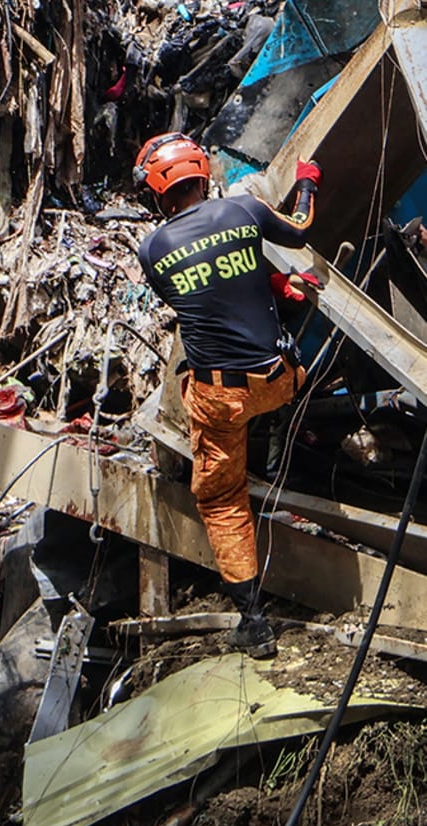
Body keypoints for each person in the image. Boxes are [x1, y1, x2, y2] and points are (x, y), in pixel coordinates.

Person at [135, 132, 321, 657]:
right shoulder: (243, 209)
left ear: (157, 191)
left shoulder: (152, 250)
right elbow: (302, 228)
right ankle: (279, 449)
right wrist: (306, 181)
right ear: (203, 174)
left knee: (219, 497)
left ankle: (254, 622)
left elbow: (205, 294)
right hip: (282, 381)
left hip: (222, 399)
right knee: (263, 375)